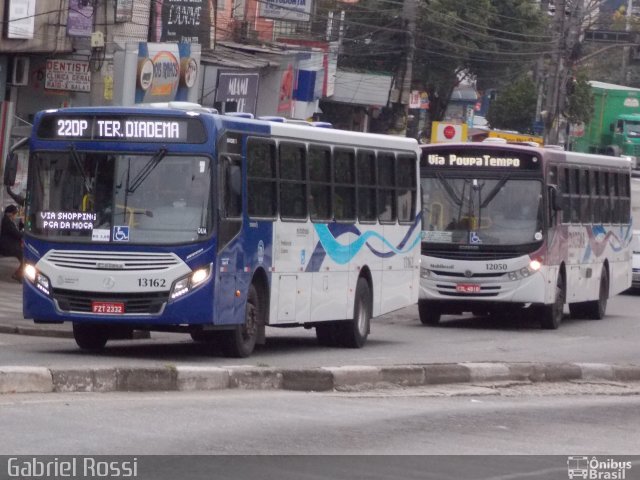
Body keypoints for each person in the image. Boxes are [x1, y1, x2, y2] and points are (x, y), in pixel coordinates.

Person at [0, 205, 24, 281]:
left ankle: (19, 274)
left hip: (11, 245)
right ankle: (18, 275)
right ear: (10, 214)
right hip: (8, 246)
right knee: (25, 258)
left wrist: (22, 226)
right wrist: (24, 233)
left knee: (24, 256)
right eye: (15, 214)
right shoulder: (7, 222)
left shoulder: (8, 221)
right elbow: (16, 234)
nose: (15, 216)